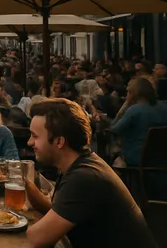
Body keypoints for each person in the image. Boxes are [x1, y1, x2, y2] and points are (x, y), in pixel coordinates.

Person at [24, 99, 157, 248]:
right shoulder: (83, 165)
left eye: (35, 136)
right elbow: (63, 213)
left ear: (59, 141)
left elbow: (37, 238)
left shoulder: (84, 177)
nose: (29, 142)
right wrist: (28, 185)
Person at [110, 77, 167, 166]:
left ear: (133, 93)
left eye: (128, 92)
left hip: (138, 156)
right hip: (162, 156)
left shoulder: (134, 110)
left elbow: (114, 130)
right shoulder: (164, 106)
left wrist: (122, 109)